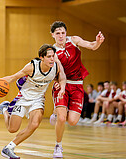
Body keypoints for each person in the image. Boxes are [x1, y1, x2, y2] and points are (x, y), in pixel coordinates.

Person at [0, 44, 66, 159]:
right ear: (42, 57)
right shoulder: (31, 67)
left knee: (35, 124)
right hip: (23, 98)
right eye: (49, 56)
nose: (52, 59)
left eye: (53, 56)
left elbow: (61, 78)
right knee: (12, 129)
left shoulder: (55, 67)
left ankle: (9, 148)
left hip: (38, 100)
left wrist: (62, 87)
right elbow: (12, 78)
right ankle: (5, 109)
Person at [50, 21, 104, 158]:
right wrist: (56, 81)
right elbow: (51, 71)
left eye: (63, 32)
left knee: (73, 121)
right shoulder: (52, 51)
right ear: (52, 35)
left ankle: (57, 112)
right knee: (62, 119)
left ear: (66, 33)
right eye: (57, 33)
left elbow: (92, 46)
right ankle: (58, 146)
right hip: (62, 85)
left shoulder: (74, 40)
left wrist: (98, 42)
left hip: (77, 85)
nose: (61, 35)